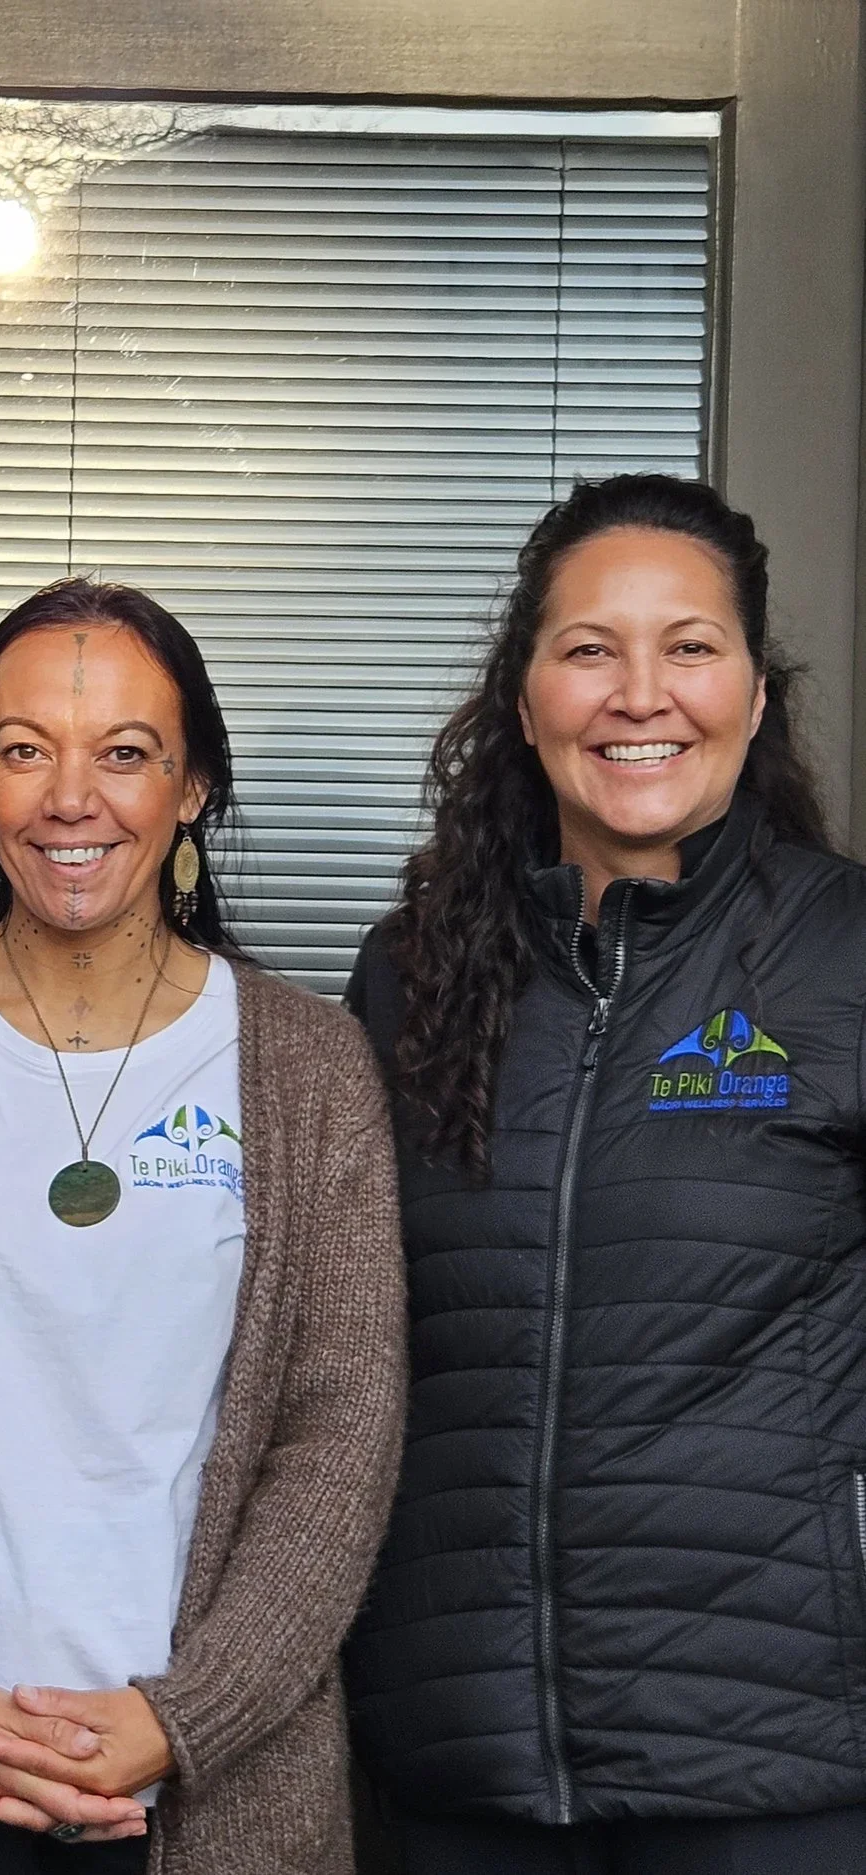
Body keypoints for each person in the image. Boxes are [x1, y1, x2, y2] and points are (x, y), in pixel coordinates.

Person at [0, 577, 407, 1875]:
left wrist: (183, 1717)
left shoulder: (311, 1070)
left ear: (192, 785)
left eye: (125, 754)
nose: (70, 798)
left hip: (213, 1792)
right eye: (26, 748)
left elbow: (342, 1426)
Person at [346, 473, 866, 1870]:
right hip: (458, 1763)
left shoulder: (845, 957)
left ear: (755, 694)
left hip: (778, 1772)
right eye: (590, 649)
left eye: (690, 647)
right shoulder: (412, 975)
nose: (642, 695)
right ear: (524, 702)